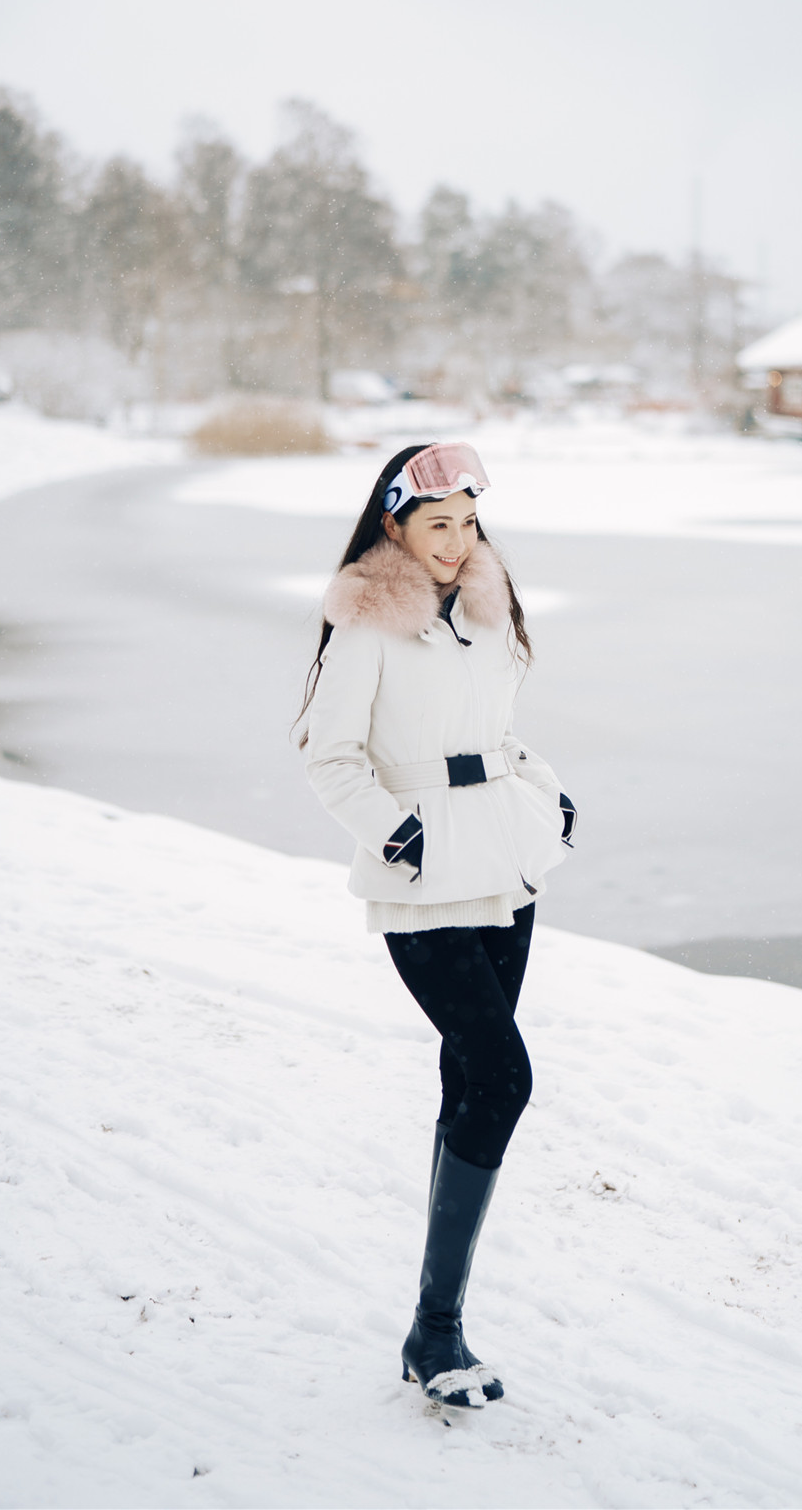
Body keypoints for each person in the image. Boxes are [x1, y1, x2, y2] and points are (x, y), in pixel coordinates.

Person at [300, 442, 576, 1412]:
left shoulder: (493, 615)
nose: (457, 543)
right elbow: (327, 756)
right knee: (504, 1075)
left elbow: (501, 736)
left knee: (469, 1077)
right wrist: (400, 830)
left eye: (467, 522)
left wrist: (549, 796)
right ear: (395, 526)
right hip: (422, 887)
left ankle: (434, 1326)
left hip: (507, 869)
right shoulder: (365, 624)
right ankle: (437, 1327)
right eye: (436, 525)